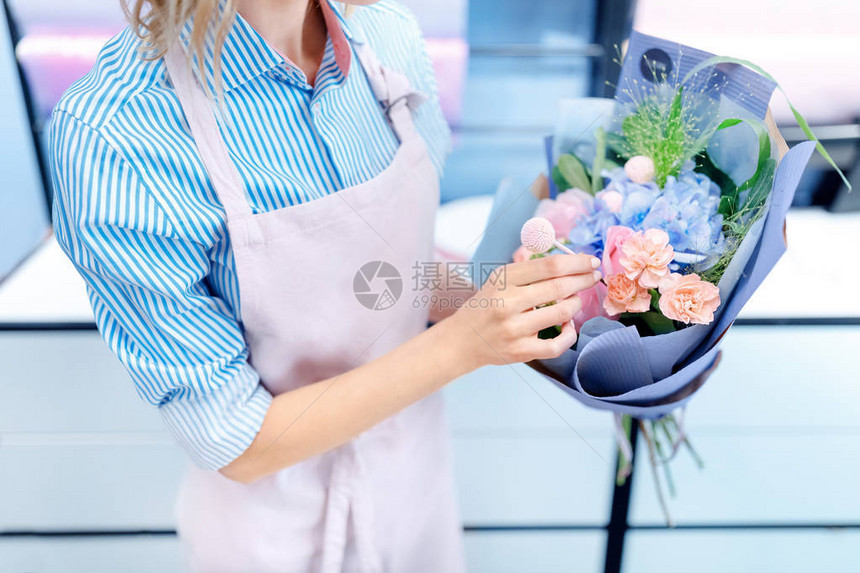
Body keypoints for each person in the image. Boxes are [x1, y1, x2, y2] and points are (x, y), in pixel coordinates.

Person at [48, 0, 601, 570]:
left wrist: (558, 315)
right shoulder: (115, 136)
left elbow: (388, 277)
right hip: (272, 530)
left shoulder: (389, 38)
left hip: (414, 486)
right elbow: (235, 439)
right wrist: (466, 342)